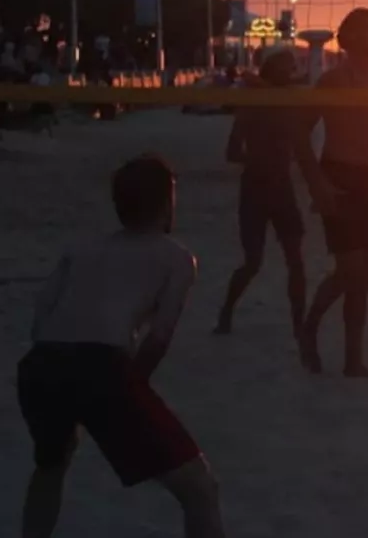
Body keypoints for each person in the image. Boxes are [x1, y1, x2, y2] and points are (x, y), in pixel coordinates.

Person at [15, 156, 224, 538]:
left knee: (51, 467)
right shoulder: (177, 257)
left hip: (39, 366)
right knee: (200, 488)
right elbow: (158, 339)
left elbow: (41, 318)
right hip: (101, 367)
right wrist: (127, 394)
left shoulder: (80, 249)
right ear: (166, 202)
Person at [214, 46, 334, 338]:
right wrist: (259, 158)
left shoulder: (286, 103)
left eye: (292, 67)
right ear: (272, 69)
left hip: (281, 187)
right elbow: (231, 151)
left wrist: (316, 184)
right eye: (286, 66)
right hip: (255, 187)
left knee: (295, 260)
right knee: (253, 262)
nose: (291, 72)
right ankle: (226, 312)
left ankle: (299, 324)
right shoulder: (254, 104)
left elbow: (302, 150)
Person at [299, 7, 368, 377]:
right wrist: (318, 184)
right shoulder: (332, 81)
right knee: (350, 271)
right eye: (366, 29)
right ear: (347, 39)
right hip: (336, 173)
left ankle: (353, 359)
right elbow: (300, 136)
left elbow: (367, 137)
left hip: (364, 176)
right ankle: (309, 329)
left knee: (365, 276)